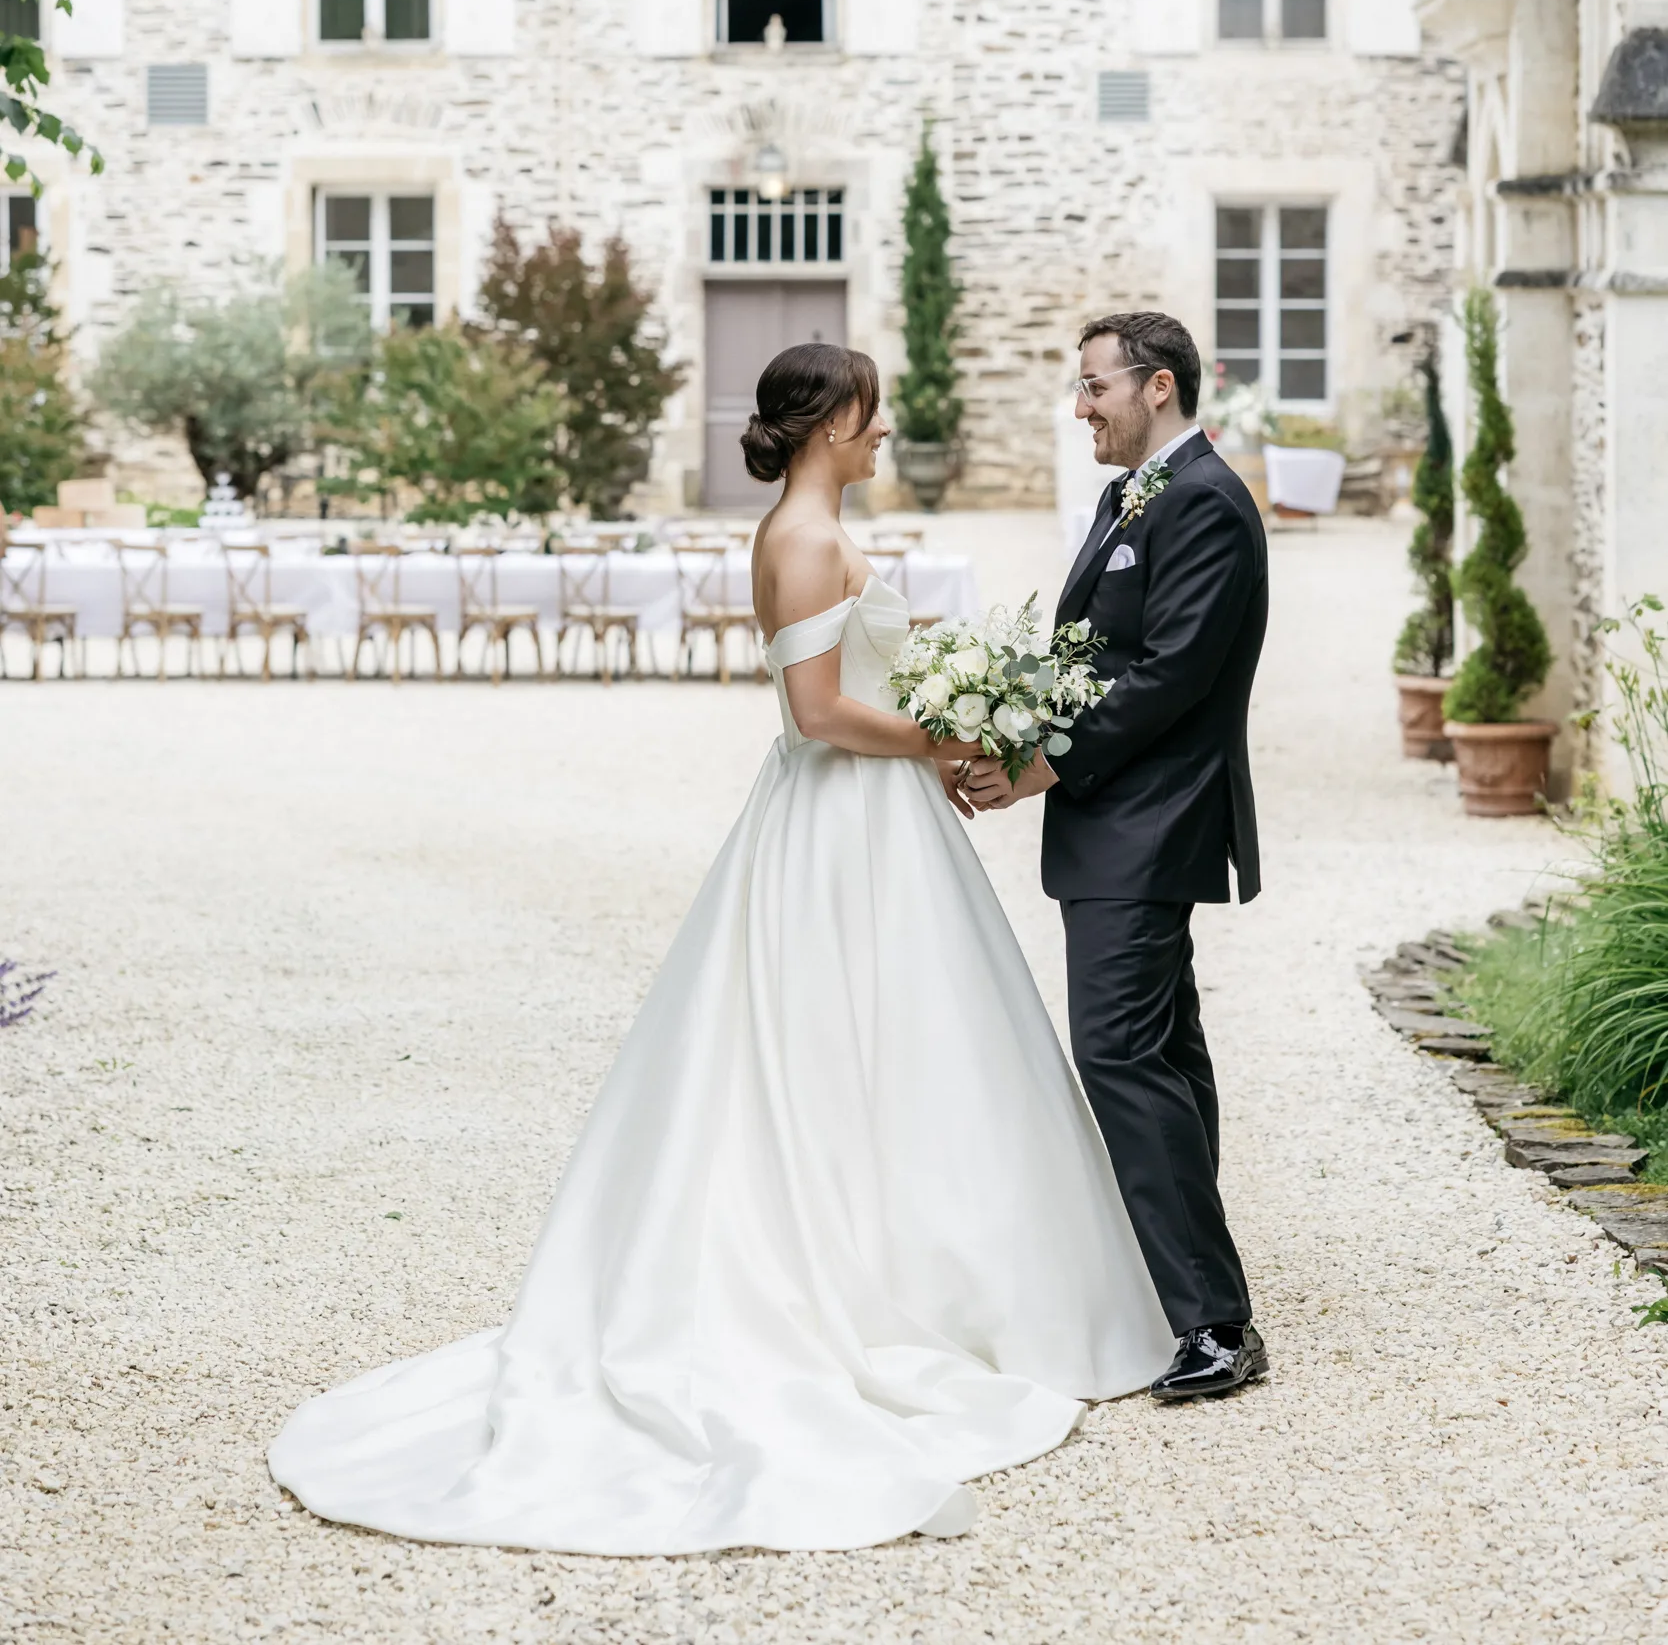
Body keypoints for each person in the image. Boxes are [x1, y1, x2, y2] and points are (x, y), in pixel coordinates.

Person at [269, 341, 1174, 1555]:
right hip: (838, 821)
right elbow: (817, 713)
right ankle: (849, 1284)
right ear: (828, 422)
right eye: (871, 414)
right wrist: (939, 738)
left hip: (877, 821)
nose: (884, 430)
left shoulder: (820, 528)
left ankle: (936, 1274)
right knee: (822, 1045)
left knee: (907, 1046)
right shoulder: (800, 537)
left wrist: (946, 728)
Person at [960, 311, 1269, 1402]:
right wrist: (1002, 718)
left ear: (1159, 386)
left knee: (1119, 1054)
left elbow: (1172, 672)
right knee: (1164, 1049)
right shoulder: (1129, 495)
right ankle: (1179, 1275)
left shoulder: (1206, 503)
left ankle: (1215, 1323)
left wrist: (1044, 764)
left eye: (1095, 386)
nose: (1079, 405)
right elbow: (1095, 655)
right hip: (1119, 819)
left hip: (1154, 818)